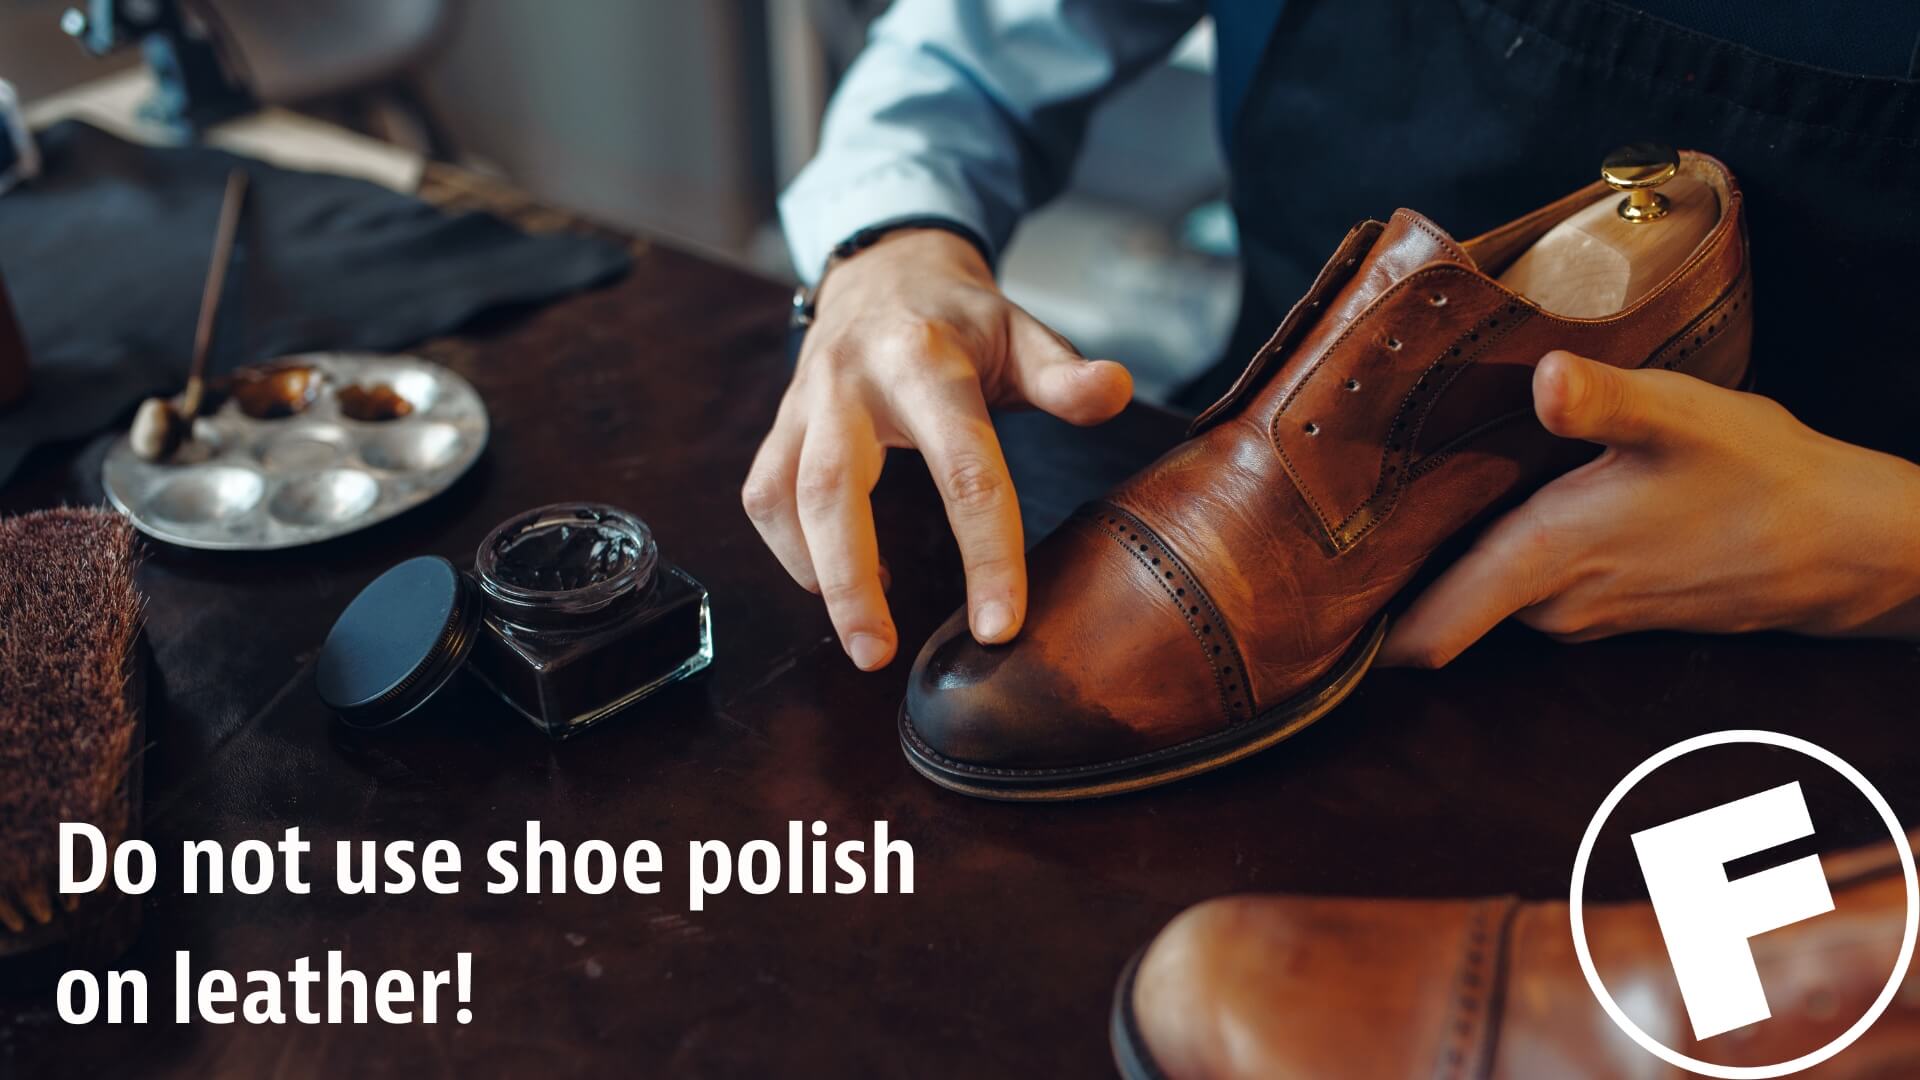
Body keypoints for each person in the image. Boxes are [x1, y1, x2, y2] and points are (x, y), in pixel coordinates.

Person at [747, 0, 1920, 673]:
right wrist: (891, 247)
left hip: (1842, 654)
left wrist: (1893, 551)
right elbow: (968, 51)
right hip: (1259, 500)